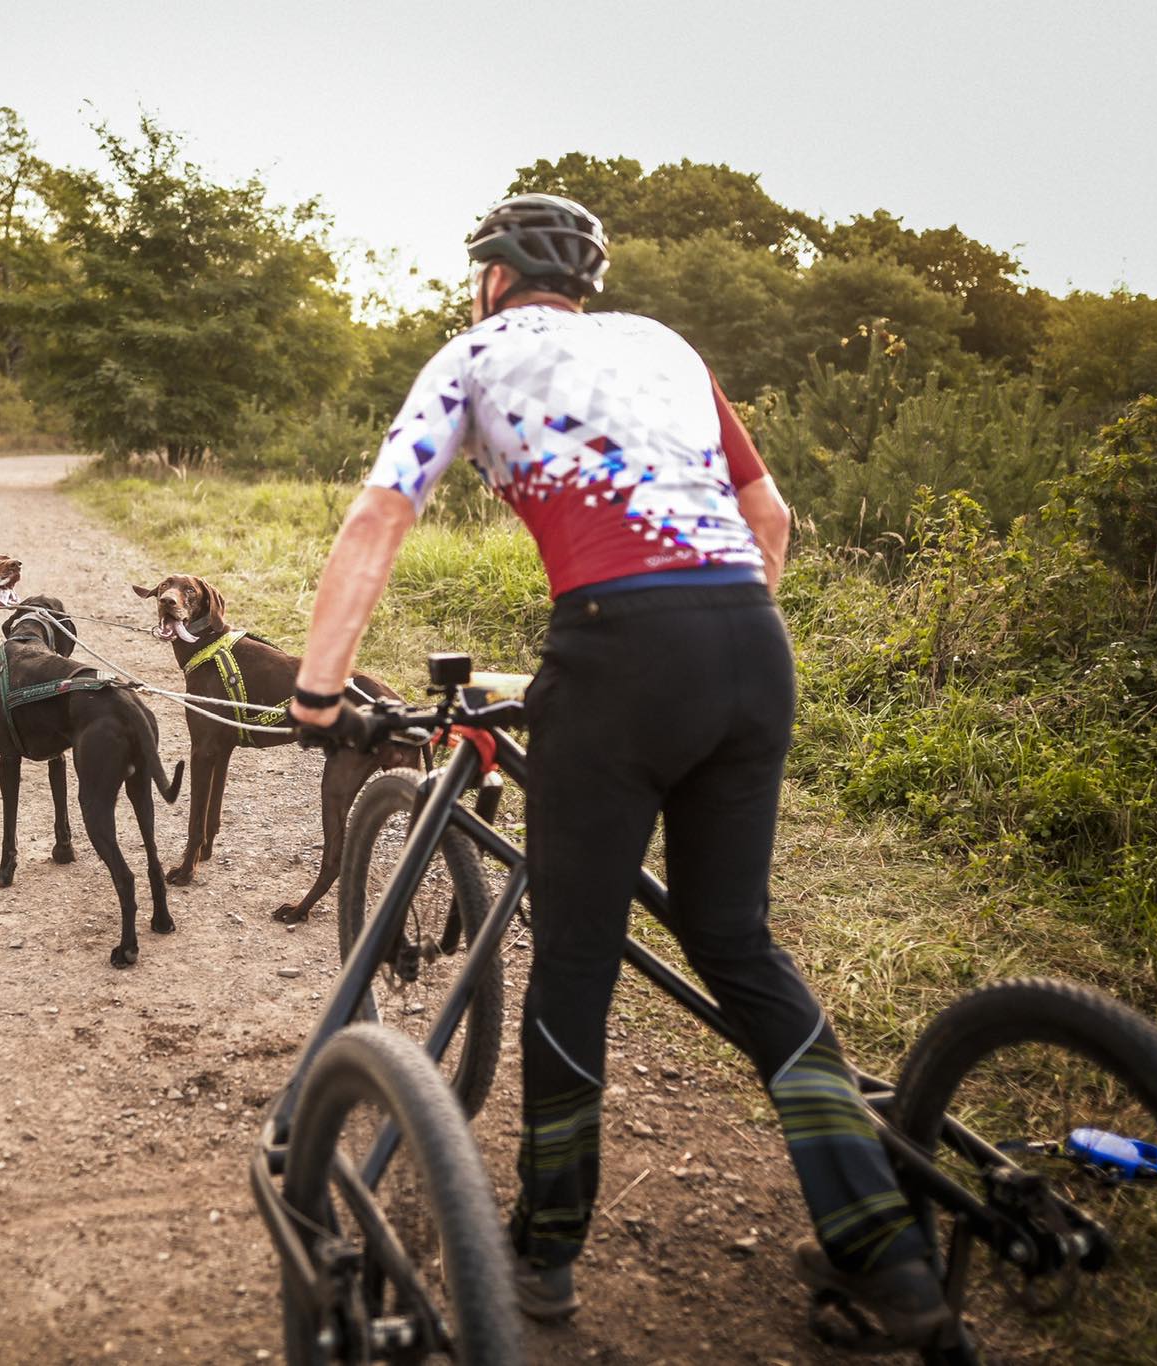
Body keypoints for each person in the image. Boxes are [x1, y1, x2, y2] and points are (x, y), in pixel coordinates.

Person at [287, 193, 951, 1344]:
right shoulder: (664, 346)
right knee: (734, 940)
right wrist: (710, 645)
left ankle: (543, 1255)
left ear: (491, 278)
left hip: (616, 650)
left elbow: (377, 515)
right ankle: (884, 1253)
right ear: (586, 280)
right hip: (751, 644)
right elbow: (768, 514)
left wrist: (313, 691)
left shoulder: (473, 352)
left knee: (576, 963)